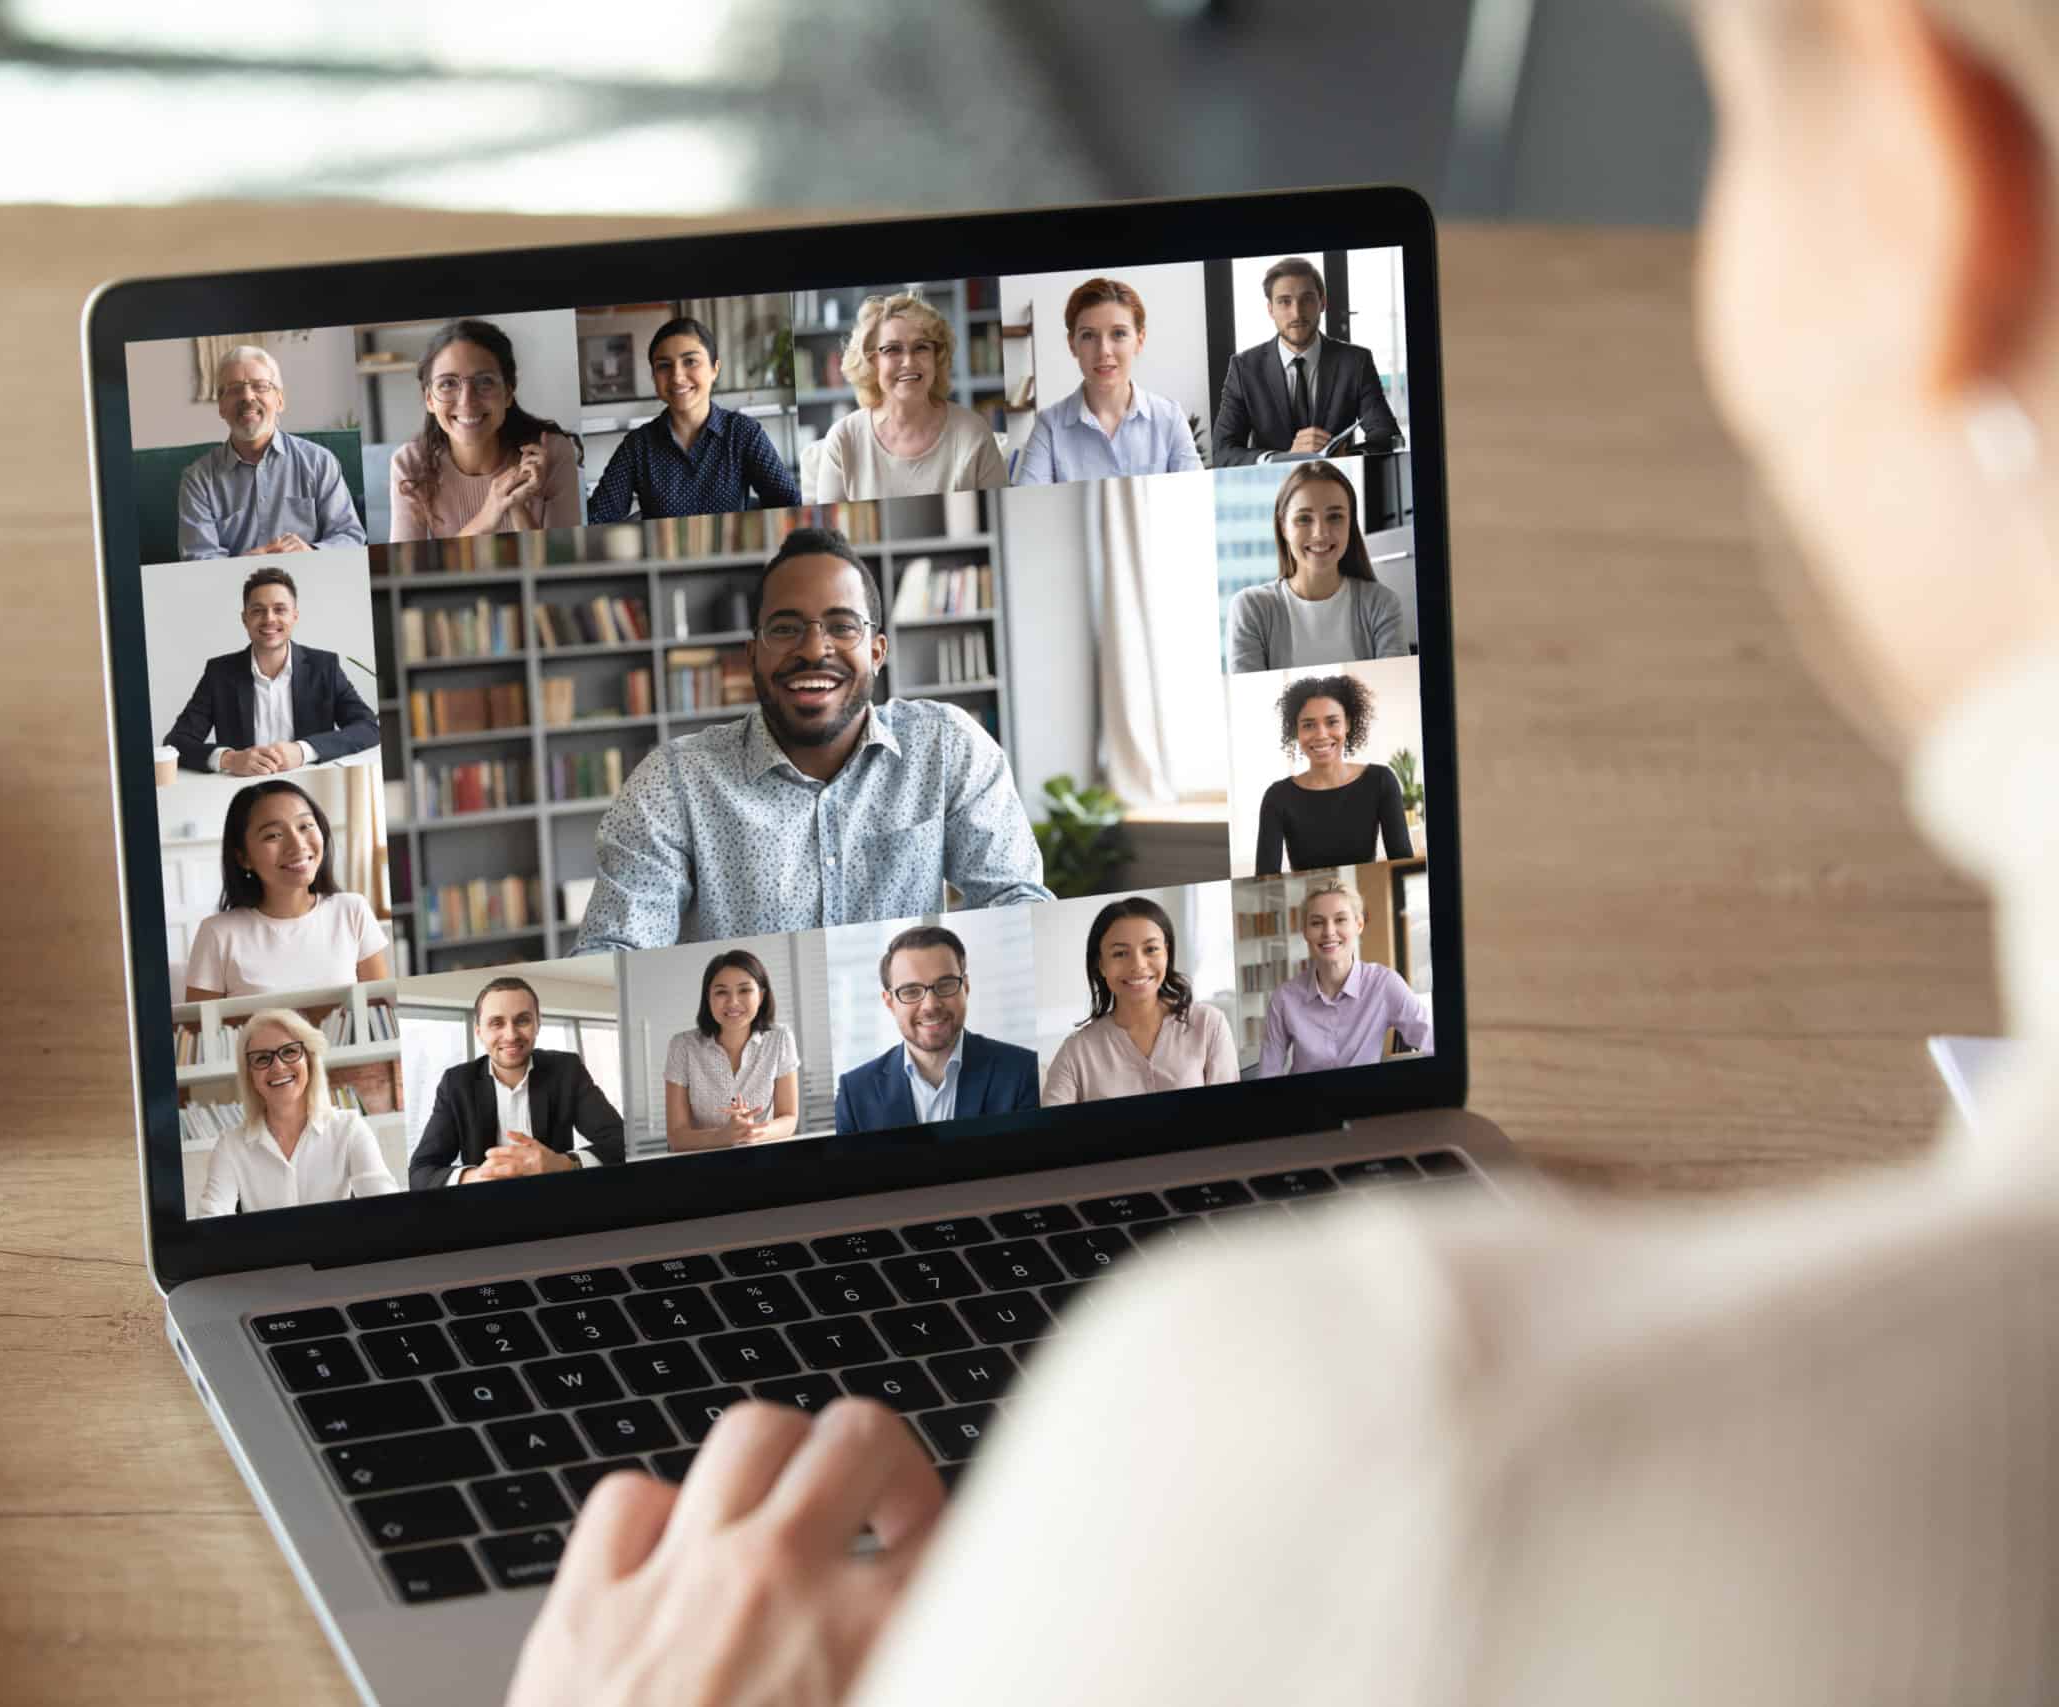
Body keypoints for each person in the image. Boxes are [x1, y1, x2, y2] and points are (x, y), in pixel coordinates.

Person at [512, 8, 2059, 1704]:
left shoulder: (1371, 1445)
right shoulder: (683, 789)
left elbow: (1017, 910)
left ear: (1932, 181)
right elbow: (634, 973)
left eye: (1751, 122)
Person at [575, 526, 1051, 952]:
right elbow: (617, 948)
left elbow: (1017, 904)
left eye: (842, 627)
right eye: (785, 629)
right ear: (752, 655)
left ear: (877, 651)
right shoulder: (674, 783)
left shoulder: (946, 747)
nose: (813, 649)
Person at [407, 977, 626, 1189]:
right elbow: (420, 1172)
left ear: (538, 1024)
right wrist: (477, 1177)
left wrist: (565, 1164)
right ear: (479, 1032)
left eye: (522, 1020)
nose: (510, 1035)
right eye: (496, 1023)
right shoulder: (456, 1083)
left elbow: (620, 1141)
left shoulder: (567, 1069)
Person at [160, 566, 381, 776]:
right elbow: (176, 742)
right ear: (244, 619)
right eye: (258, 610)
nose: (269, 619)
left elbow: (369, 727)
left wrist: (303, 751)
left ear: (294, 616)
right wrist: (229, 759)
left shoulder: (325, 666)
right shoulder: (219, 673)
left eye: (279, 609)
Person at [184, 780, 391, 999]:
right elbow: (199, 1030)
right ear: (243, 857)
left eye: (305, 826)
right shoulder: (217, 933)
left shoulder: (352, 910)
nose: (298, 844)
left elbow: (381, 1013)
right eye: (273, 835)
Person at [585, 316, 802, 521]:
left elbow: (790, 504)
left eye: (690, 361)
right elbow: (598, 517)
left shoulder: (743, 433)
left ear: (714, 369)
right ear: (653, 377)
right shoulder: (637, 446)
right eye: (664, 366)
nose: (677, 376)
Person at [832, 924, 1041, 1134]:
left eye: (946, 985)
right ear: (889, 1002)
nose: (931, 1005)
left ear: (965, 988)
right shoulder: (854, 1093)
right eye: (911, 991)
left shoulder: (1022, 1072)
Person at [388, 319, 584, 541]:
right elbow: (410, 573)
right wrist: (490, 512)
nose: (467, 402)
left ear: (508, 393)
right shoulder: (409, 464)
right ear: (429, 399)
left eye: (485, 382)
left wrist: (515, 505)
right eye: (448, 383)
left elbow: (560, 567)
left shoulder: (553, 452)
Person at [191, 1007, 395, 1215]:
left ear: (309, 1060)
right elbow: (211, 1217)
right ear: (250, 1075)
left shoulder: (349, 1128)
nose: (278, 1067)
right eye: (262, 1058)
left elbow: (386, 1210)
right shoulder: (230, 1146)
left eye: (289, 1051)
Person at [808, 293, 1009, 502]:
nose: (908, 362)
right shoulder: (843, 440)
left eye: (921, 347)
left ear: (936, 357)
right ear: (872, 361)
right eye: (892, 349)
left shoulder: (973, 433)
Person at [173, 344, 365, 560]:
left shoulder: (319, 462)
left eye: (260, 386)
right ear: (222, 407)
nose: (247, 396)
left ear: (280, 400)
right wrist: (246, 563)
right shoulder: (197, 479)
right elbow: (198, 558)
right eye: (235, 389)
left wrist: (311, 552)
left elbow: (350, 537)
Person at [1039, 896, 1237, 1104]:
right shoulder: (1076, 1052)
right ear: (1101, 964)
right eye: (1120, 953)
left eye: (1151, 949)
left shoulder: (1209, 1025)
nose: (1138, 965)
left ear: (1167, 953)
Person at [1208, 257, 1403, 467]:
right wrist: (1279, 458)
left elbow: (1389, 437)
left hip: (1338, 482)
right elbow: (1222, 452)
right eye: (1284, 301)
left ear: (1323, 302)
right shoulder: (1244, 368)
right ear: (1270, 309)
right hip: (1273, 489)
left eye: (1307, 299)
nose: (1297, 312)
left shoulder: (1356, 362)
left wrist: (1349, 456)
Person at [1009, 277, 1204, 485]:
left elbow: (1195, 501)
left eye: (1118, 334)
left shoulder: (1170, 418)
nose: (1104, 351)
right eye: (1088, 336)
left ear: (1139, 340)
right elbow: (1031, 509)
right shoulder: (1049, 426)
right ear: (1072, 344)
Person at [1225, 461, 1409, 671]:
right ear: (1283, 527)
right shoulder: (1251, 609)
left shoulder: (1382, 604)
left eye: (1335, 517)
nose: (1320, 533)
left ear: (1350, 522)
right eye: (1304, 519)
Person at [1255, 877, 1432, 1076]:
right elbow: (1268, 1073)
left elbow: (1434, 1043)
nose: (1329, 932)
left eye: (1340, 920)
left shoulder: (1384, 985)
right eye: (1316, 923)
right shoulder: (1284, 998)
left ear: (1359, 924)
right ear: (1305, 932)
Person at [1252, 672, 1413, 875]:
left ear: (1348, 724)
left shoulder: (1380, 781)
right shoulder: (1277, 797)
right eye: (1309, 725)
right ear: (1296, 731)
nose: (1321, 734)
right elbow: (1265, 879)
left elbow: (1403, 868)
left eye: (1332, 722)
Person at [660, 950, 802, 1151]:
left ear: (761, 996)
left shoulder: (780, 1038)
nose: (733, 1002)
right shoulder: (682, 1046)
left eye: (744, 990)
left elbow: (788, 1119)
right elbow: (677, 1136)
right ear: (708, 998)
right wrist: (722, 1136)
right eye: (721, 992)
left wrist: (752, 1131)